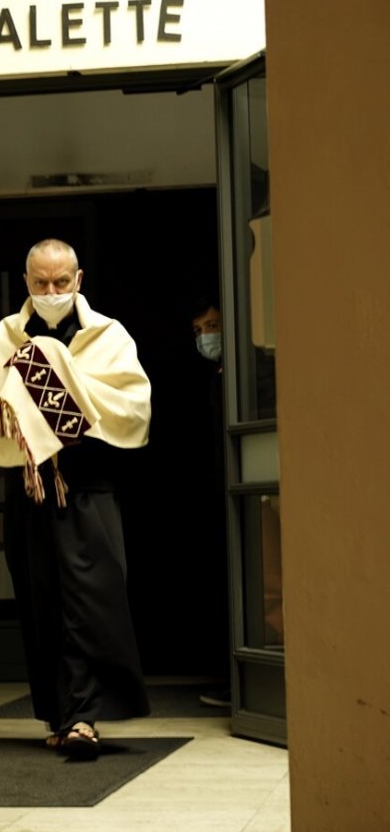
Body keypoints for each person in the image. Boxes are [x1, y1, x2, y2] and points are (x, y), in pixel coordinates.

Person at [0, 238, 152, 759]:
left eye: (61, 282)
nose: (51, 291)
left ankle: (87, 716)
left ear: (79, 279)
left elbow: (133, 405)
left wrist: (66, 392)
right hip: (31, 488)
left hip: (88, 487)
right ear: (26, 283)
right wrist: (23, 404)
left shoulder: (108, 336)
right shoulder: (7, 335)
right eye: (41, 283)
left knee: (91, 600)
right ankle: (60, 713)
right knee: (41, 599)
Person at [190, 295, 231, 709]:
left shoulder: (246, 373)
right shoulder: (217, 377)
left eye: (213, 327)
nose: (206, 337)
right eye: (199, 331)